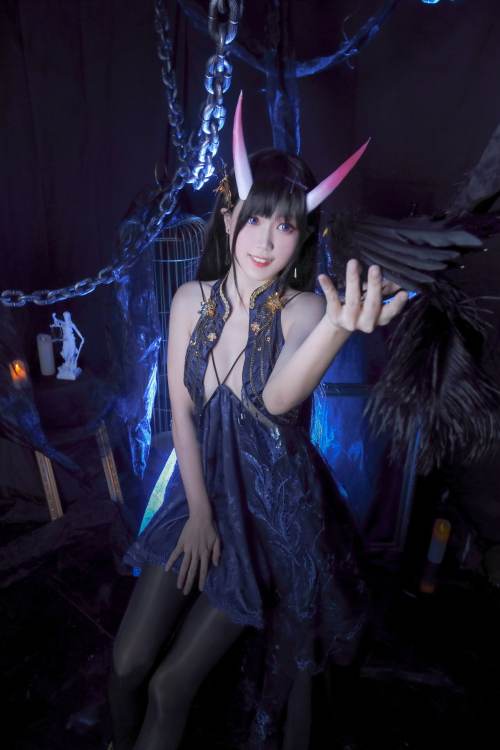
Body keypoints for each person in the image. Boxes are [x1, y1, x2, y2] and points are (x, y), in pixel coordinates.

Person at [107, 94, 409, 750]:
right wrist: (198, 512)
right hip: (199, 494)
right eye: (255, 220)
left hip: (271, 516)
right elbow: (182, 412)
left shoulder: (303, 310)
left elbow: (273, 401)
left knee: (169, 688)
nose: (266, 241)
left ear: (303, 237)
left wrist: (336, 327)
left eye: (286, 226)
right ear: (229, 219)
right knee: (126, 665)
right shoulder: (189, 300)